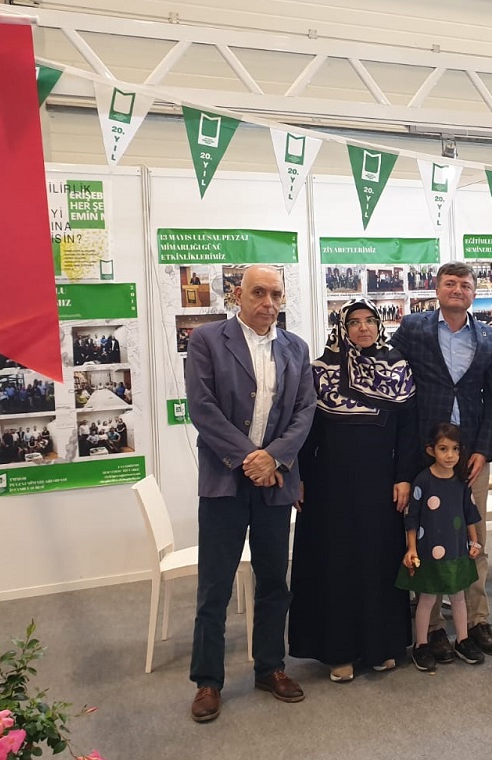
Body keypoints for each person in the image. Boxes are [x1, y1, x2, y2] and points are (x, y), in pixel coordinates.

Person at [185, 265, 316, 723]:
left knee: (274, 580)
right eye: (259, 292)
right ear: (237, 295)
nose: (268, 302)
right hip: (225, 481)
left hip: (275, 483)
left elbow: (304, 412)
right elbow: (202, 408)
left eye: (276, 294)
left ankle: (270, 667)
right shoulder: (207, 340)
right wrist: (250, 459)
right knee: (215, 586)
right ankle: (208, 680)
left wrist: (273, 459)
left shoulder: (296, 348)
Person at [289, 299, 417, 683]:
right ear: (342, 328)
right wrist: (299, 477)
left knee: (379, 561)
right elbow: (305, 431)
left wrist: (404, 476)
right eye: (355, 322)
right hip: (330, 485)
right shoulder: (320, 370)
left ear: (379, 325)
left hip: (381, 484)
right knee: (337, 563)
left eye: (370, 321)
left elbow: (408, 430)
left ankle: (381, 646)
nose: (363, 328)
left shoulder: (397, 367)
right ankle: (338, 652)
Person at [391, 262, 492, 660]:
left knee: (472, 539)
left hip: (469, 456)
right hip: (425, 452)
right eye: (450, 283)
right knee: (425, 537)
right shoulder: (414, 328)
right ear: (437, 289)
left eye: (465, 284)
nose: (458, 289)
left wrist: (483, 450)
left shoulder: (490, 337)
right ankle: (433, 628)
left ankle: (476, 620)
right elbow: (392, 375)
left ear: (474, 292)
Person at [396, 423, 484, 672]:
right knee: (427, 598)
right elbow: (412, 517)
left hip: (456, 550)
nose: (450, 455)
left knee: (458, 597)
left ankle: (463, 640)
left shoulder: (461, 481)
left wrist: (474, 540)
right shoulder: (423, 480)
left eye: (455, 449)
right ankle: (421, 644)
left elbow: (470, 514)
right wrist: (411, 548)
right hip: (428, 552)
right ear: (431, 450)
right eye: (443, 449)